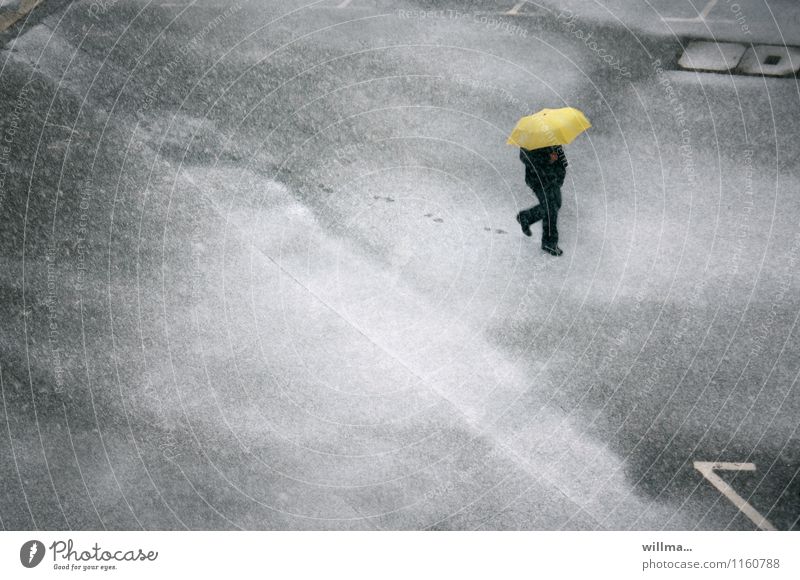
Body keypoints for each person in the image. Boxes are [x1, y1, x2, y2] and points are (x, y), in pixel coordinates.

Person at [515, 145, 568, 256]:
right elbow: (525, 157)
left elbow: (562, 160)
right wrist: (547, 159)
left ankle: (526, 217)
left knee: (556, 204)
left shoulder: (553, 137)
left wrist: (560, 174)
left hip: (553, 178)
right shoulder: (531, 138)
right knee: (551, 208)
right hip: (538, 179)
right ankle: (549, 242)